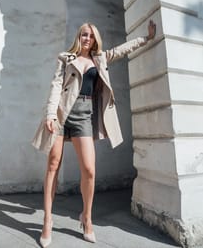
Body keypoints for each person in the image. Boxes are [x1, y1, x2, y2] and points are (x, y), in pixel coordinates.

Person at [32, 20, 156, 247]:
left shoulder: (100, 58)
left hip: (84, 117)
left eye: (89, 35)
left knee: (89, 170)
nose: (86, 38)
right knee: (53, 166)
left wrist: (145, 39)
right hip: (61, 115)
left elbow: (122, 50)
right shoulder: (65, 58)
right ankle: (47, 220)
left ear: (94, 38)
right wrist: (50, 115)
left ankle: (86, 217)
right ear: (78, 38)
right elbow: (55, 87)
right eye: (83, 35)